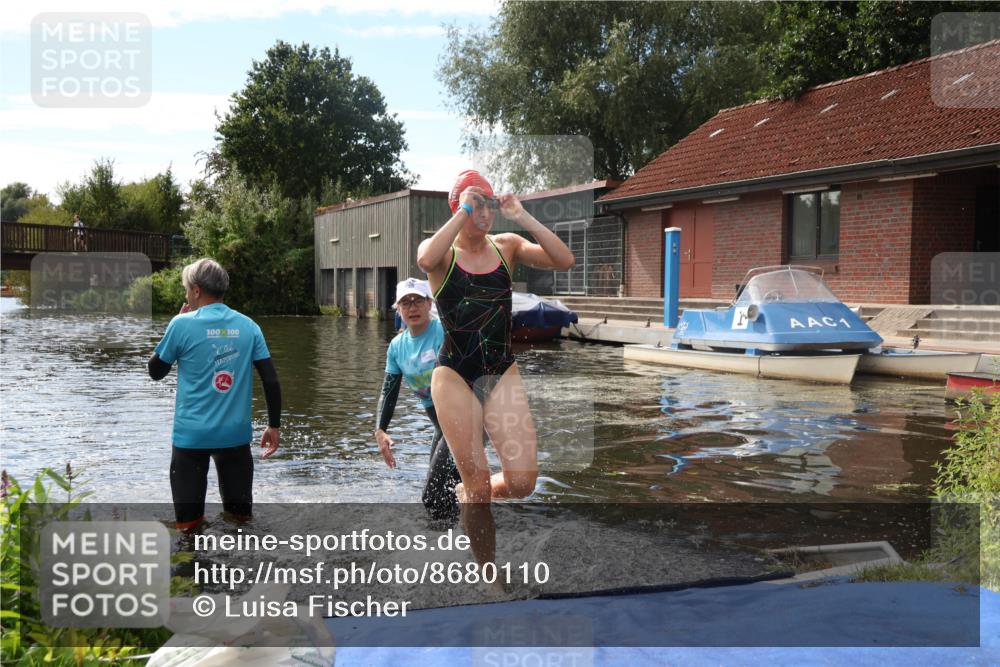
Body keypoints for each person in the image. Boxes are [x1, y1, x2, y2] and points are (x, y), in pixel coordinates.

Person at [416, 170, 575, 505]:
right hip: (455, 373)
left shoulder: (507, 246)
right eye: (476, 206)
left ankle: (464, 493)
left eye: (488, 205)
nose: (484, 213)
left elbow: (564, 260)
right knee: (477, 486)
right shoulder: (443, 253)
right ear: (457, 209)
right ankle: (480, 549)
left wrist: (521, 215)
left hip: (500, 370)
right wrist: (464, 209)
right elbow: (425, 259)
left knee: (522, 483)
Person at [147, 258, 282, 530]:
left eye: (187, 289)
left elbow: (156, 371)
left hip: (191, 437)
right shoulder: (249, 326)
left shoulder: (181, 324)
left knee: (189, 526)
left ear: (197, 291)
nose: (186, 295)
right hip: (234, 436)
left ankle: (192, 568)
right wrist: (274, 425)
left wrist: (176, 322)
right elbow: (270, 380)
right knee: (241, 521)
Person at [374, 278, 461, 519]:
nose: (412, 307)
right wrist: (380, 429)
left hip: (463, 420)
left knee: (432, 494)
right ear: (398, 309)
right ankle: (458, 542)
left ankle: (451, 543)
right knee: (448, 491)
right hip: (440, 426)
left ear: (429, 303)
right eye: (405, 302)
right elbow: (388, 390)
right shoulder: (396, 347)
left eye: (418, 301)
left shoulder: (445, 332)